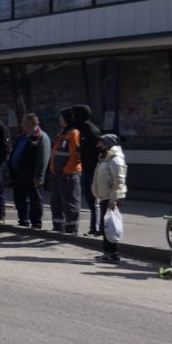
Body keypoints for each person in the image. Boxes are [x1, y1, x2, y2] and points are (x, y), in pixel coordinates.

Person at [9, 114, 50, 228]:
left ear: (31, 123)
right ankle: (23, 219)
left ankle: (36, 222)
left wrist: (39, 175)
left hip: (32, 174)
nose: (21, 125)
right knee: (20, 197)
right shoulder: (23, 136)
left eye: (24, 122)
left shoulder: (41, 137)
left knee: (35, 199)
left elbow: (43, 157)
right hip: (20, 174)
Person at [91, 134, 126, 262]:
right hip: (105, 196)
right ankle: (108, 252)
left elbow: (119, 180)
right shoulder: (105, 158)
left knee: (110, 226)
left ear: (108, 145)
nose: (97, 146)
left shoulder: (115, 159)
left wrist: (113, 199)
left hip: (111, 197)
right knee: (106, 226)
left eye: (100, 144)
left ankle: (112, 253)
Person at [69, 105, 102, 236]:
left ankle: (96, 228)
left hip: (94, 171)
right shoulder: (82, 129)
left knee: (95, 202)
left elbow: (98, 151)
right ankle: (94, 227)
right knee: (90, 201)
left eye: (74, 115)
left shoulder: (91, 130)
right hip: (87, 169)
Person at [49, 109, 82, 233]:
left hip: (69, 174)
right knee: (56, 202)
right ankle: (58, 226)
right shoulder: (62, 133)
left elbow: (76, 156)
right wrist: (53, 169)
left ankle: (71, 229)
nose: (59, 120)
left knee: (70, 203)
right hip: (58, 174)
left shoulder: (74, 134)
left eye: (61, 117)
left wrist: (66, 170)